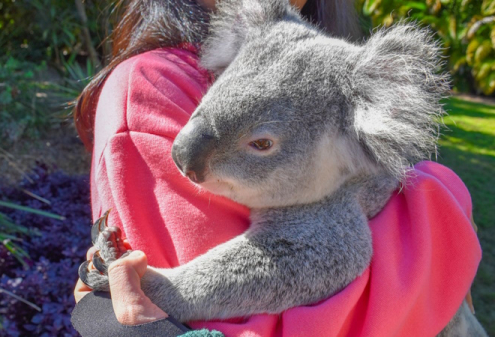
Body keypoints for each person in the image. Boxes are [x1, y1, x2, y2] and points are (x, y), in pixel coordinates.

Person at [72, 0, 482, 336]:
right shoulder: (155, 87)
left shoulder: (332, 85)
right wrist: (439, 214)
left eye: (263, 142)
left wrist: (165, 292)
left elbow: (316, 252)